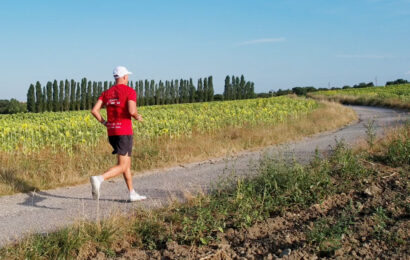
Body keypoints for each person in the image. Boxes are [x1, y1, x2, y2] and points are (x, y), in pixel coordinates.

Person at [90, 66, 147, 202]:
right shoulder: (129, 91)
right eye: (128, 76)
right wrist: (137, 116)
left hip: (112, 132)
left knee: (126, 164)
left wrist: (105, 122)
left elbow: (94, 110)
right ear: (125, 77)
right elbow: (132, 111)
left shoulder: (106, 93)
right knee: (122, 166)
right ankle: (99, 179)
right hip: (124, 132)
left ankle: (132, 193)